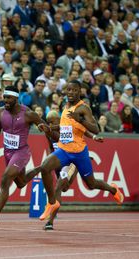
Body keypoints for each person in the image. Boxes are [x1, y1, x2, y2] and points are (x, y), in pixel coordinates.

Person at [0, 86, 57, 231]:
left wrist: (54, 142)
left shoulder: (29, 114)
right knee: (21, 182)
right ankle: (41, 168)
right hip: (8, 153)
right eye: (4, 98)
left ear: (16, 99)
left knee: (5, 179)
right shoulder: (0, 112)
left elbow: (47, 129)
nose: (6, 101)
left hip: (21, 152)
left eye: (9, 98)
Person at [39, 80, 124, 222]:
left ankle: (113, 189)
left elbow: (95, 128)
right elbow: (64, 126)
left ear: (80, 92)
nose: (70, 93)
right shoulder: (65, 106)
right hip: (64, 150)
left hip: (79, 153)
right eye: (68, 90)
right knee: (44, 167)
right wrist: (49, 128)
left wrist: (81, 120)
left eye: (74, 90)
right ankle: (52, 202)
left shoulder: (84, 108)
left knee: (91, 184)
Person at [43, 110, 104, 230]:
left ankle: (50, 221)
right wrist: (51, 161)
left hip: (71, 160)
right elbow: (51, 147)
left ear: (58, 120)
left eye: (52, 122)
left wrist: (94, 137)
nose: (50, 125)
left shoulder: (67, 127)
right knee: (64, 188)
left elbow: (84, 131)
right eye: (48, 122)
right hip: (59, 162)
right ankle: (76, 169)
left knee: (58, 188)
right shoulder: (49, 132)